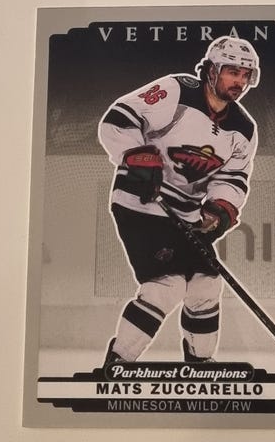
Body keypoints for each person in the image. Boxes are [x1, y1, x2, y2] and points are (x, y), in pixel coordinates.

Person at [97, 36, 260, 364]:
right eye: (232, 72)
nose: (239, 82)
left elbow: (232, 179)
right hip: (141, 203)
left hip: (185, 217)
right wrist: (138, 156)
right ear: (211, 70)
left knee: (206, 284)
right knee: (166, 285)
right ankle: (118, 361)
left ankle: (201, 364)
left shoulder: (243, 128)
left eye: (246, 75)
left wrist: (219, 209)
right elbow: (117, 120)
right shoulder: (176, 90)